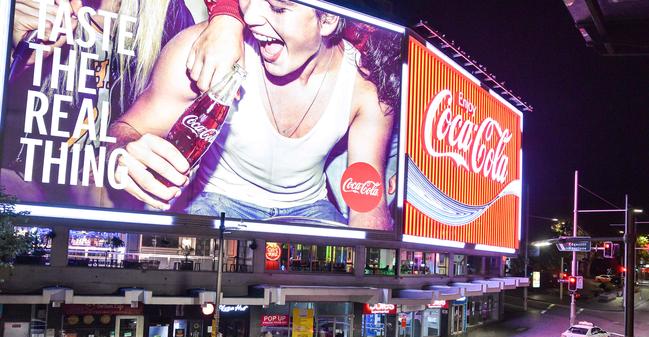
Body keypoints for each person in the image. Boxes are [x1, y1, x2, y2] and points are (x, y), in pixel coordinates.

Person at [108, 0, 401, 229]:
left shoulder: (365, 86)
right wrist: (125, 153)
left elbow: (367, 208)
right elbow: (126, 128)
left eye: (278, 7)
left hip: (309, 209)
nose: (250, 17)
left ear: (328, 19)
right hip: (215, 202)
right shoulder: (206, 52)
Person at [1, 0, 196, 205]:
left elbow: (175, 128)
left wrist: (124, 153)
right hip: (25, 186)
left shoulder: (169, 15)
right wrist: (10, 46)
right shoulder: (29, 6)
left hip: (110, 202)